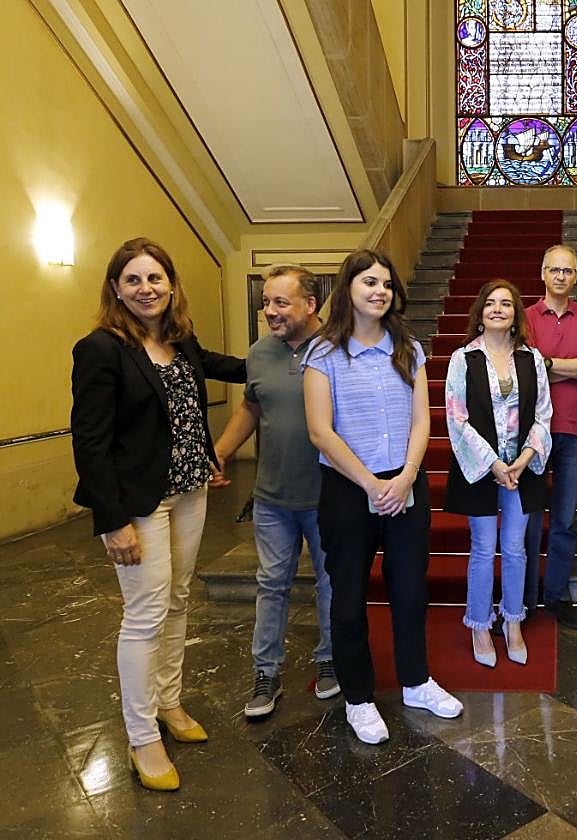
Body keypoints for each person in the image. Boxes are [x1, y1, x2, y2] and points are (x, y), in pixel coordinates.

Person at [70, 237, 246, 791]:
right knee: (144, 614)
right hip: (138, 503)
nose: (147, 289)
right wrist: (111, 520)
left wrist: (295, 349)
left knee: (177, 599)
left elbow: (229, 367)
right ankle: (141, 735)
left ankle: (168, 703)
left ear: (171, 286)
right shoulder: (100, 348)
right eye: (134, 280)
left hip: (190, 490)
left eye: (155, 279)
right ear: (116, 288)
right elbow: (90, 442)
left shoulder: (181, 340)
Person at [302, 249, 462, 744]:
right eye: (369, 282)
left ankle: (416, 681)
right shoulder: (322, 354)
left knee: (411, 588)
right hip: (350, 488)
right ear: (347, 288)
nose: (379, 291)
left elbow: (421, 420)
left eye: (387, 284)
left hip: (404, 482)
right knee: (348, 595)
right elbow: (320, 432)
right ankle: (359, 697)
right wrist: (372, 485)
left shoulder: (407, 348)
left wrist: (408, 475)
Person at [211, 264, 338, 718]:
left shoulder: (339, 347)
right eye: (266, 302)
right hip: (272, 496)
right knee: (271, 585)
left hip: (328, 495)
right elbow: (249, 407)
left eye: (280, 302)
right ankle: (266, 673)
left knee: (331, 584)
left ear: (310, 304)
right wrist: (221, 453)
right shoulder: (260, 353)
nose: (270, 311)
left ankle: (329, 661)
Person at [445, 280, 552, 667]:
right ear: (480, 311)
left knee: (517, 548)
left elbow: (543, 413)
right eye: (490, 303)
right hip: (482, 468)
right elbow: (457, 419)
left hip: (522, 470)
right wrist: (493, 463)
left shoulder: (532, 359)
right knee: (481, 547)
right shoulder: (463, 359)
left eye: (506, 304)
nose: (497, 309)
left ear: (515, 314)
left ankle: (512, 622)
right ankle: (478, 623)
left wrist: (523, 460)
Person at [522, 245, 577, 631]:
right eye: (554, 269)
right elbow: (524, 370)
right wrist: (565, 369)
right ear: (542, 272)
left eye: (567, 271)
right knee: (528, 517)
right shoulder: (524, 317)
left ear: (576, 276)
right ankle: (522, 598)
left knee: (565, 519)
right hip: (532, 432)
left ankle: (555, 595)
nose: (560, 276)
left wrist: (550, 364)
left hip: (574, 428)